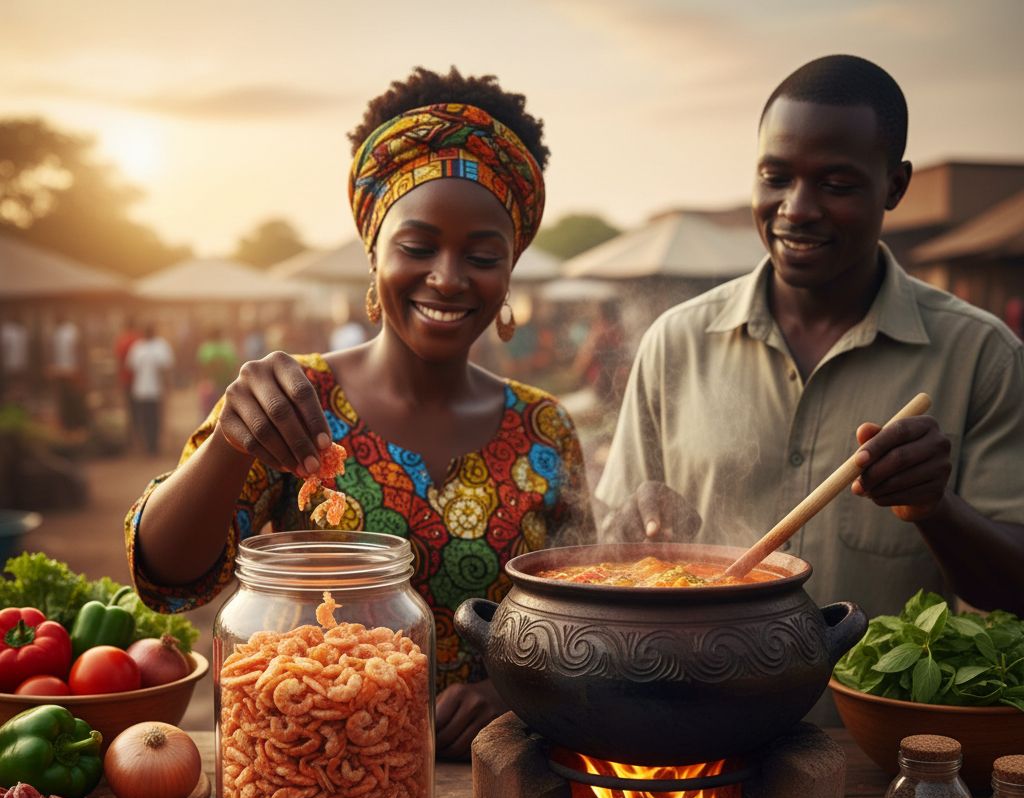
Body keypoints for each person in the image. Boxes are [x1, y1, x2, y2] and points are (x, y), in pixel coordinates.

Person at [125, 66, 594, 758]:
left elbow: (582, 628)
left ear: (511, 270)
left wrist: (511, 691)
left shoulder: (543, 429)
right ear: (373, 251)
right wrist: (230, 438)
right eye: (417, 246)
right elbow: (166, 576)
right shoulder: (291, 399)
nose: (447, 277)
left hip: (497, 797)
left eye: (483, 255)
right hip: (306, 782)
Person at [597, 55, 1024, 720]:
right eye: (776, 177)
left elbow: (1016, 588)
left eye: (837, 183)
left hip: (875, 758)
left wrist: (936, 507)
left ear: (895, 185)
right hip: (690, 737)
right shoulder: (675, 344)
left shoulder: (983, 356)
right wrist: (631, 535)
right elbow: (608, 552)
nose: (796, 209)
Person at [126, 323, 175, 455]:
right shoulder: (137, 347)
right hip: (141, 390)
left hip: (156, 390)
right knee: (144, 419)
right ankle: (147, 446)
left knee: (155, 419)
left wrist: (167, 386)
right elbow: (131, 367)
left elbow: (166, 368)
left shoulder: (161, 346)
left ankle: (154, 445)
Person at [49, 313, 88, 432]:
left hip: (67, 370)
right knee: (68, 399)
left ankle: (73, 425)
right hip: (66, 371)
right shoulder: (62, 331)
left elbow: (77, 349)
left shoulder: (66, 331)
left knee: (70, 399)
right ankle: (71, 425)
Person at [195, 326, 238, 418]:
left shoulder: (206, 349)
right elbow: (233, 366)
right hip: (226, 383)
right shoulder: (227, 348)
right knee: (225, 411)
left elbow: (201, 367)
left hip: (210, 385)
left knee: (208, 412)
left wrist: (203, 382)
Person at [113, 316, 142, 441]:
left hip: (126, 380)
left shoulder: (121, 340)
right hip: (139, 381)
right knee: (140, 409)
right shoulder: (139, 339)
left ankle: (132, 435)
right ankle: (140, 434)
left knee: (130, 409)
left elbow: (118, 360)